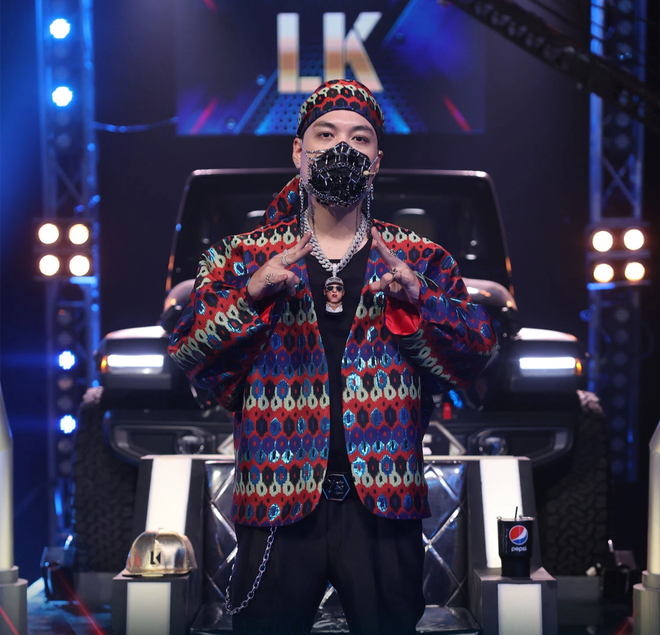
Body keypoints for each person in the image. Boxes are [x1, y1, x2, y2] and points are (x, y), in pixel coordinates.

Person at [168, 79, 498, 635]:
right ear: (298, 151)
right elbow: (190, 354)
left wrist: (420, 301)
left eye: (360, 138)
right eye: (326, 135)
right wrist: (251, 296)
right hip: (276, 497)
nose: (342, 148)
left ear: (376, 161)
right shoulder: (240, 257)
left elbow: (473, 358)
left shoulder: (420, 259)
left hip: (384, 502)